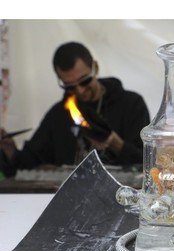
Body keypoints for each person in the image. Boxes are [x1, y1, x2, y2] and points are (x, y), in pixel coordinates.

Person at [0, 41, 150, 177]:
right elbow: (29, 163)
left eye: (84, 81)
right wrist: (10, 150)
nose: (80, 91)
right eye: (69, 86)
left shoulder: (131, 104)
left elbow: (148, 162)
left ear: (95, 68)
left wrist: (115, 143)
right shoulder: (58, 114)